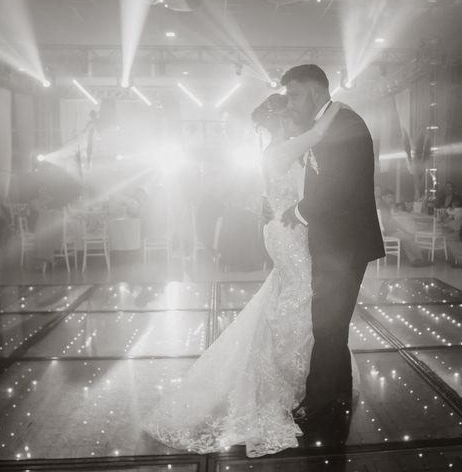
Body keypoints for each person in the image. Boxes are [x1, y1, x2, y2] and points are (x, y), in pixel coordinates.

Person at [144, 85, 350, 456]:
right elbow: (319, 133)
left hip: (285, 231)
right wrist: (338, 105)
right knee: (300, 298)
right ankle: (292, 385)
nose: (298, 118)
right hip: (288, 235)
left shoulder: (274, 150)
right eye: (291, 114)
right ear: (282, 120)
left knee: (291, 298)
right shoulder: (284, 147)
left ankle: (293, 379)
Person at [279, 65, 384, 434]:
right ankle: (339, 390)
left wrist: (300, 211)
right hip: (333, 242)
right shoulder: (327, 125)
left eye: (294, 94)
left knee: (327, 324)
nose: (290, 102)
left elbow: (340, 186)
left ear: (315, 91)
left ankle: (318, 402)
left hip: (345, 244)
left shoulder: (347, 125)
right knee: (332, 322)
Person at [378, 189, 431, 267]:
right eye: (389, 197)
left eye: (392, 197)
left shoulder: (384, 206)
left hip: (387, 231)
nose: (391, 199)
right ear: (383, 197)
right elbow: (391, 223)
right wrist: (404, 231)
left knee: (405, 241)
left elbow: (391, 222)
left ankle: (413, 261)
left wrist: (403, 231)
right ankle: (421, 259)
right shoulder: (384, 208)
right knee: (409, 237)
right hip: (387, 232)